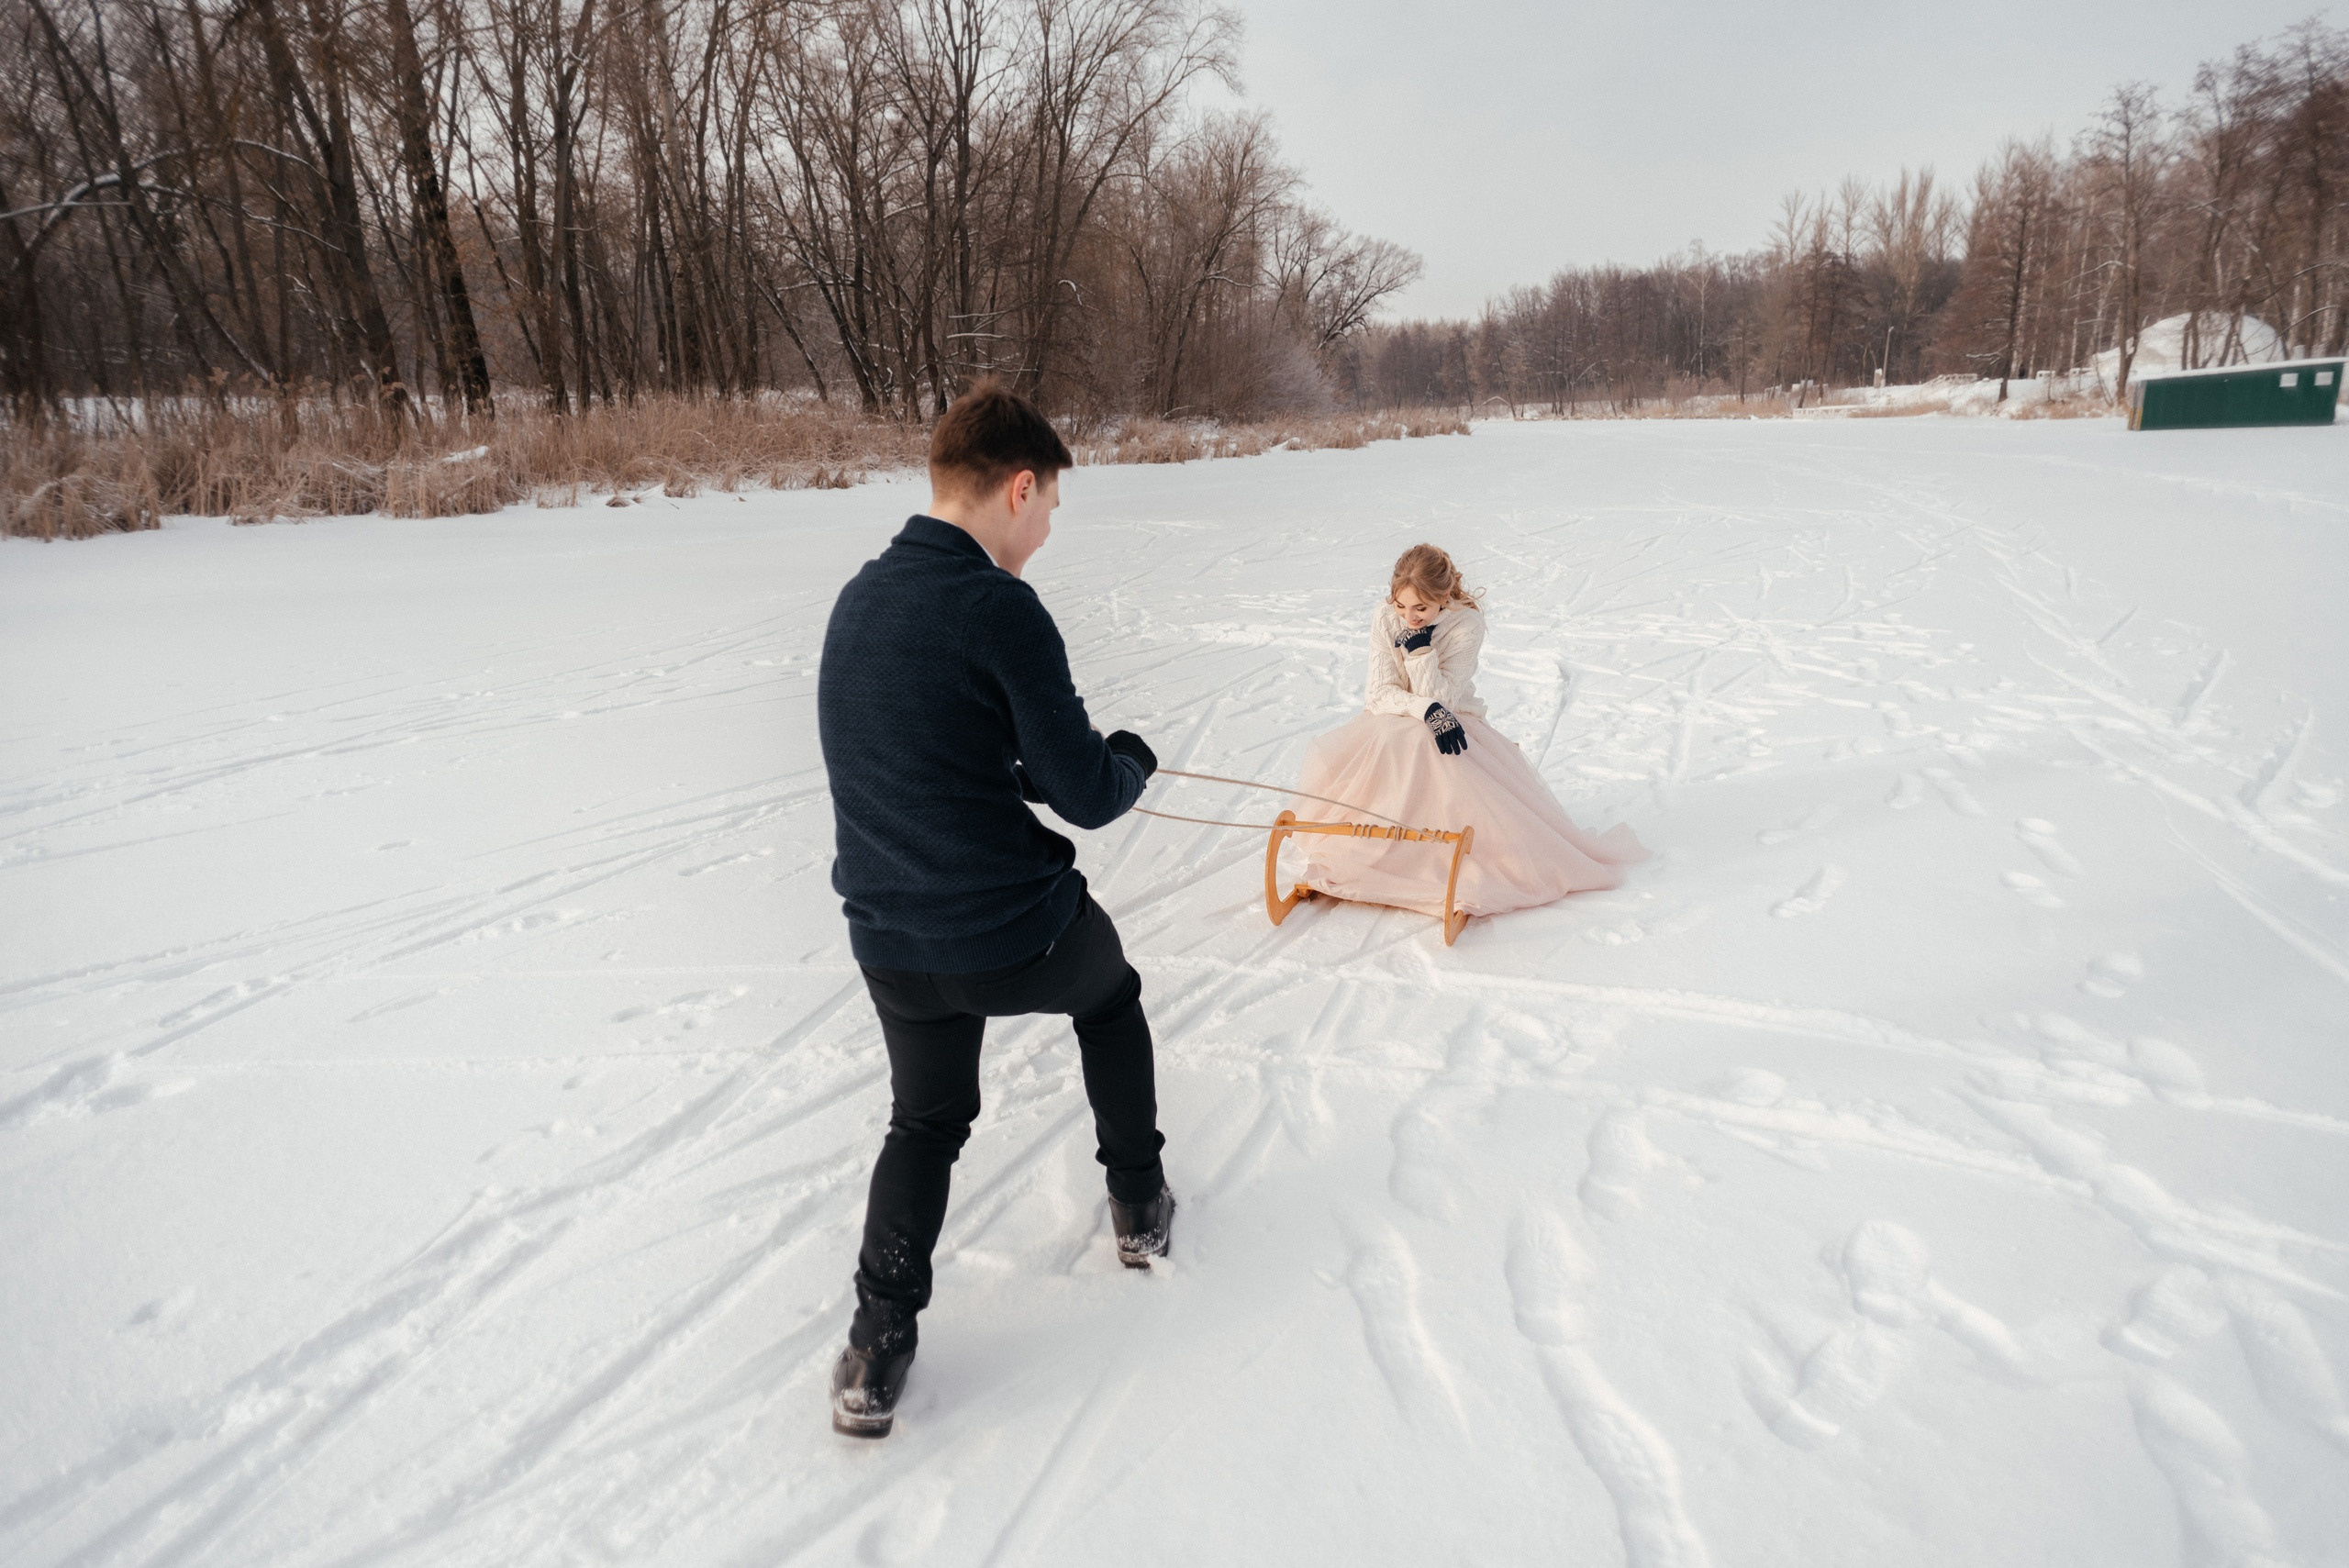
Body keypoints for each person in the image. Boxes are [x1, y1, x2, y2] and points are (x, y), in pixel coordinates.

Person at [816, 379, 1174, 1440]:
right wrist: (1131, 760)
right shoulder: (997, 604)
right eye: (1051, 503)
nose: (1049, 527)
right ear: (1019, 487)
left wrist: (1003, 765)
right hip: (1011, 934)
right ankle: (1139, 1205)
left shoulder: (859, 596)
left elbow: (910, 749)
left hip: (890, 943)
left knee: (926, 1118)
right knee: (1109, 997)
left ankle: (876, 1344)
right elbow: (1088, 794)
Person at [1288, 543, 1646, 919]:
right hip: (1394, 718)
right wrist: (1423, 708)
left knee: (1420, 742)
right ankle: (1376, 852)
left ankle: (1432, 858)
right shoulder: (1385, 616)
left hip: (1453, 719)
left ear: (1443, 598)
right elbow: (1380, 694)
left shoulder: (1467, 625)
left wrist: (1421, 654)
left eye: (1421, 609)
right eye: (1401, 606)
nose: (1409, 617)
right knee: (1402, 737)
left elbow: (1445, 696)